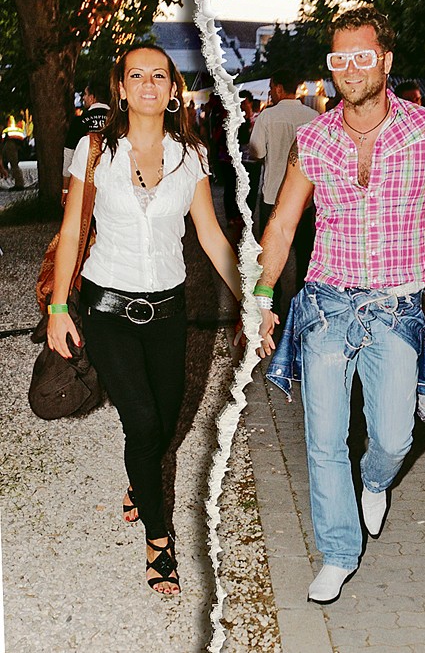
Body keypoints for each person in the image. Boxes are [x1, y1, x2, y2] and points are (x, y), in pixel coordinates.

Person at [254, 6, 425, 605]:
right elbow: (282, 224)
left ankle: (376, 481)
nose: (351, 69)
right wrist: (263, 294)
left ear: (385, 60)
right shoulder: (313, 138)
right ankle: (337, 552)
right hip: (326, 307)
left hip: (396, 309)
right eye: (340, 58)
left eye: (363, 56)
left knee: (393, 437)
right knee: (324, 442)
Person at [46, 44, 242, 596]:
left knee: (167, 418)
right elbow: (72, 231)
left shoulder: (191, 155)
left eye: (159, 75)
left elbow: (210, 235)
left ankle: (141, 479)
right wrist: (58, 306)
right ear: (122, 88)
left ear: (173, 89)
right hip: (106, 308)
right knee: (143, 422)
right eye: (137, 75)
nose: (149, 84)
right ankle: (159, 539)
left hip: (167, 311)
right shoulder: (93, 151)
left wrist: (249, 302)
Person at [249, 69, 318, 305]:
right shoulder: (313, 116)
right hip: (305, 198)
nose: (270, 93)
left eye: (271, 88)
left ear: (279, 88)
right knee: (304, 251)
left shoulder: (267, 117)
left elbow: (257, 151)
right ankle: (303, 297)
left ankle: (272, 299)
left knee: (270, 249)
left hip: (273, 195)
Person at [62, 78, 110, 204]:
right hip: (112, 183)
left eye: (85, 94)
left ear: (92, 98)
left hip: (84, 183)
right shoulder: (118, 121)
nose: (83, 97)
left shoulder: (78, 122)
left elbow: (68, 155)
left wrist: (66, 189)